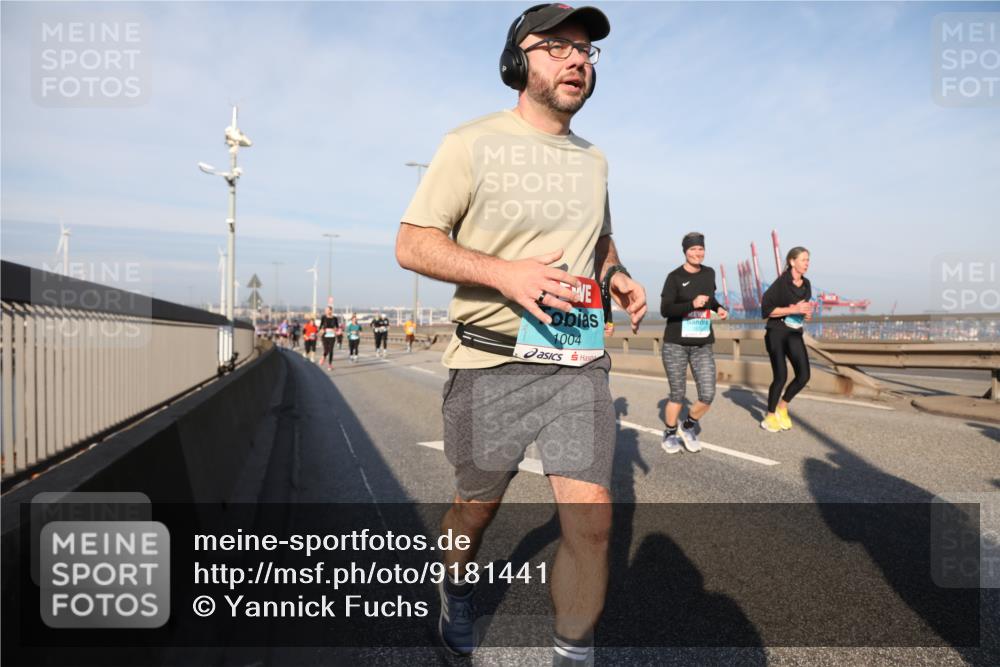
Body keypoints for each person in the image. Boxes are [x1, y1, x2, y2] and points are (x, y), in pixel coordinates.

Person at [395, 5, 647, 664]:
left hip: (577, 360)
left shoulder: (595, 161)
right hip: (490, 361)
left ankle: (570, 650)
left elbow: (600, 242)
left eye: (587, 51)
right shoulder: (471, 143)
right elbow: (413, 242)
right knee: (474, 512)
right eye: (559, 46)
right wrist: (503, 274)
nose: (578, 60)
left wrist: (617, 275)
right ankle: (454, 588)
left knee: (592, 523)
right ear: (518, 59)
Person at [658, 232, 728, 454]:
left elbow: (710, 298)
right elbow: (665, 310)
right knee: (677, 394)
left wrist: (718, 308)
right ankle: (669, 433)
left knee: (707, 394)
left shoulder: (709, 273)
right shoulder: (674, 277)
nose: (697, 253)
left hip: (702, 344)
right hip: (675, 343)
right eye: (693, 249)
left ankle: (686, 426)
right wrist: (691, 304)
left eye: (700, 249)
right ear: (685, 251)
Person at [760, 246, 813, 432]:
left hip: (794, 332)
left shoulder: (806, 284)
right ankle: (770, 415)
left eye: (808, 260)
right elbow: (766, 310)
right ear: (792, 261)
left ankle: (782, 406)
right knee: (780, 376)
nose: (807, 263)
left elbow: (802, 310)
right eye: (803, 260)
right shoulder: (781, 283)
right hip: (776, 332)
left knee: (804, 375)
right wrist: (793, 310)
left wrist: (806, 314)